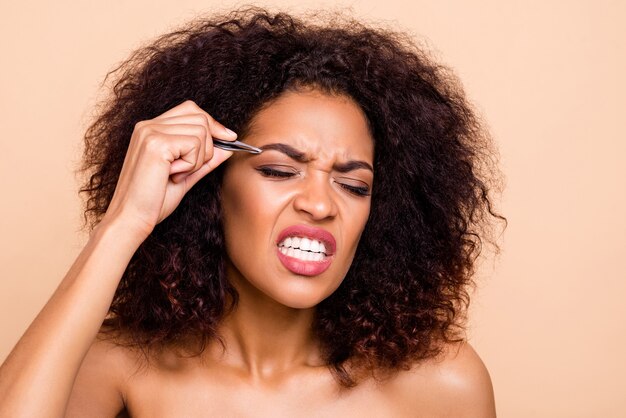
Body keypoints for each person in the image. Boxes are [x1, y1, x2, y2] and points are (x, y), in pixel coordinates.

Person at [0, 8, 503, 417]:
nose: (321, 204)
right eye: (281, 171)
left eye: (353, 184)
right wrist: (124, 222)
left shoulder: (444, 386)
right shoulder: (119, 366)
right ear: (212, 185)